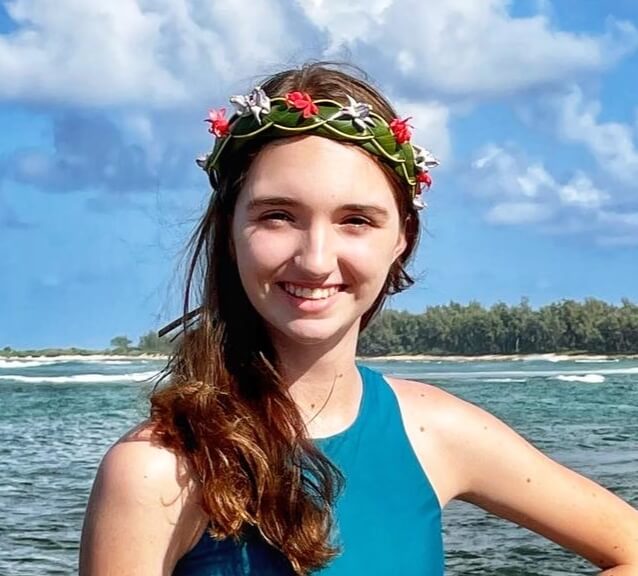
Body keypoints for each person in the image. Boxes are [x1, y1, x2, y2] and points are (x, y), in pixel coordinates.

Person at [79, 62, 638, 575]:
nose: (316, 259)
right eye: (278, 216)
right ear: (230, 232)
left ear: (401, 239)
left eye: (356, 220)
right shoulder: (158, 471)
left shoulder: (435, 431)